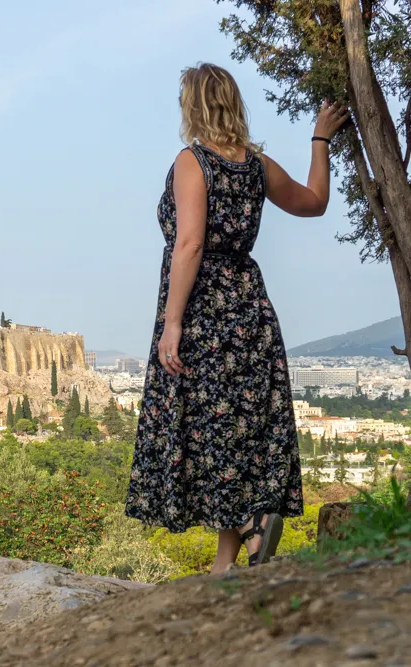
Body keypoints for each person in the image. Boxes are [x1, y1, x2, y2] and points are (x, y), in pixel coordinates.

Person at [124, 63, 350, 573]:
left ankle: (248, 528)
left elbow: (190, 243)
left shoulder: (192, 161)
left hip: (204, 312)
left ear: (194, 106)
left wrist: (173, 322)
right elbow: (314, 202)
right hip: (250, 308)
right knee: (239, 426)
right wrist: (320, 140)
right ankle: (230, 559)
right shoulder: (256, 165)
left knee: (208, 428)